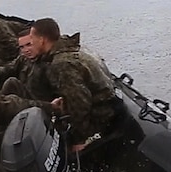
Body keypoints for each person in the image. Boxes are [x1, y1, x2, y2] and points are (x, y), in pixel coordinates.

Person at [27, 18, 120, 152]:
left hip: (102, 114)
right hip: (107, 105)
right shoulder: (71, 48)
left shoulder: (61, 64)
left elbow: (80, 103)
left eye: (32, 38)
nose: (31, 42)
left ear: (42, 40)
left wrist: (79, 139)